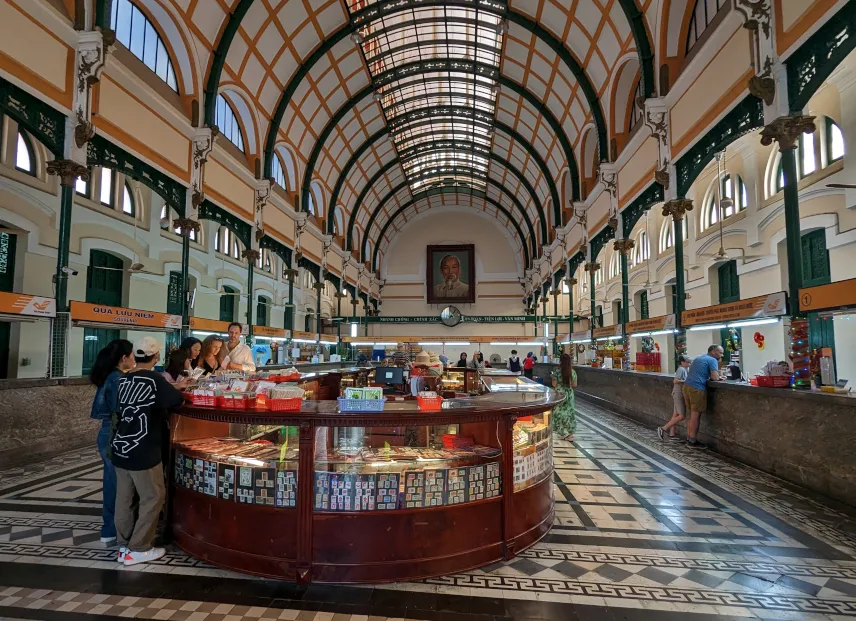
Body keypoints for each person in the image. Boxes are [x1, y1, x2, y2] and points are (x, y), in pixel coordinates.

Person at [111, 337, 184, 566]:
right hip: (144, 448)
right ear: (156, 357)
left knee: (124, 499)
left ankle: (124, 545)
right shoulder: (154, 379)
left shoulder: (124, 379)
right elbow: (176, 400)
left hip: (121, 448)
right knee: (153, 497)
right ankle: (139, 548)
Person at [89, 339, 135, 544]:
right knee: (114, 483)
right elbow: (121, 409)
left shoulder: (114, 376)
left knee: (112, 480)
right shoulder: (117, 379)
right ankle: (111, 529)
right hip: (113, 434)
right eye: (132, 355)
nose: (134, 358)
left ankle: (111, 528)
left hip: (109, 433)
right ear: (123, 358)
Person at [682, 345, 724, 449]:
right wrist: (719, 378)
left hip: (687, 387)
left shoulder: (699, 358)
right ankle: (692, 442)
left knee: (691, 415)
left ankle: (689, 438)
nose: (721, 355)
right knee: (696, 416)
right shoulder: (712, 360)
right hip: (697, 388)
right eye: (720, 352)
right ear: (713, 352)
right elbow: (714, 377)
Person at [658, 355, 691, 441]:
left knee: (675, 414)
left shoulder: (686, 369)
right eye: (687, 362)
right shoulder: (681, 369)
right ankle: (663, 429)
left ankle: (672, 434)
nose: (689, 363)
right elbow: (675, 381)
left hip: (680, 393)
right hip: (678, 393)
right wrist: (686, 381)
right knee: (682, 416)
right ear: (682, 362)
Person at [551, 353, 577, 441]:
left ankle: (563, 433)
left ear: (560, 361)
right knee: (569, 413)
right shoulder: (572, 372)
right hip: (569, 394)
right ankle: (570, 433)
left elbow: (554, 384)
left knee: (557, 413)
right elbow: (574, 384)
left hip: (559, 394)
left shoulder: (557, 371)